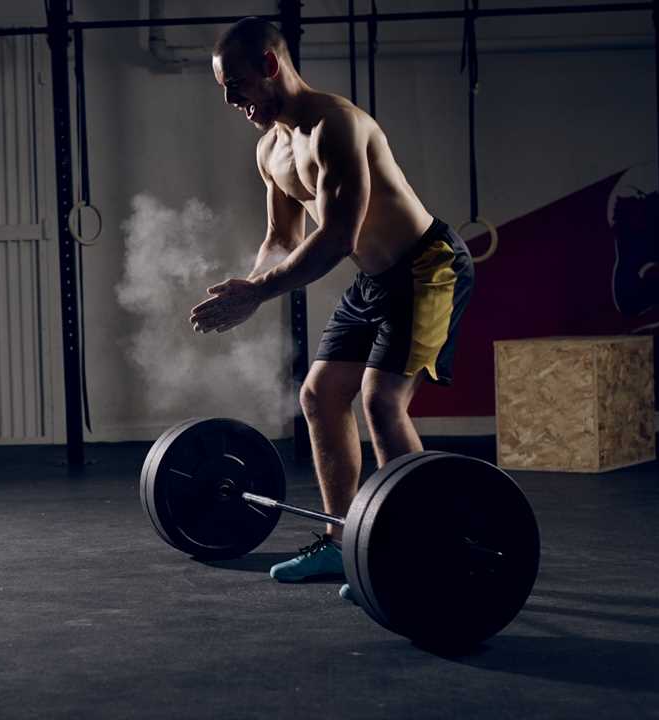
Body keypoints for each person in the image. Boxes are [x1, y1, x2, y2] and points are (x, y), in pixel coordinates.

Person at [189, 18, 474, 596]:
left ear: (270, 66)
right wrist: (245, 289)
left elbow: (340, 235)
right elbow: (282, 237)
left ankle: (424, 544)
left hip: (426, 266)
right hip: (375, 281)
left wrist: (259, 292)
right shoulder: (271, 148)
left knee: (381, 401)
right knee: (318, 396)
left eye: (235, 85)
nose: (232, 102)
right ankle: (345, 542)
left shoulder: (337, 126)